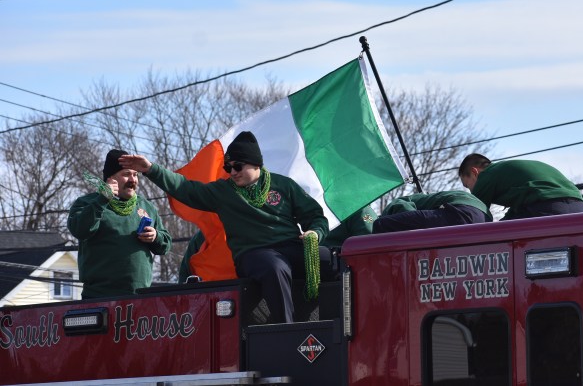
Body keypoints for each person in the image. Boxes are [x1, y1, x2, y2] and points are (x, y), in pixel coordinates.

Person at [119, 131, 336, 324]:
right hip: (254, 253)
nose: (232, 172)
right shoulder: (223, 191)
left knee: (335, 261)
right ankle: (286, 332)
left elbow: (315, 216)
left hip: (290, 245)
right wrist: (150, 169)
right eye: (228, 167)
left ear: (256, 164)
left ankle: (339, 324)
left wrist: (315, 233)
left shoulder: (283, 185)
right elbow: (186, 188)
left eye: (237, 166)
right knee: (275, 268)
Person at [68, 149, 172, 299]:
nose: (133, 180)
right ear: (110, 179)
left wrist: (155, 237)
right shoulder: (87, 203)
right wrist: (103, 200)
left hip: (140, 297)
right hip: (100, 297)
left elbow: (166, 245)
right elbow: (79, 229)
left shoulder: (146, 207)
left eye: (135, 174)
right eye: (126, 174)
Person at [458, 153, 583, 220]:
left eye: (467, 186)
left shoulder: (486, 175)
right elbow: (517, 211)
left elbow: (475, 216)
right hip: (580, 207)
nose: (470, 191)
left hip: (546, 205)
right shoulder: (505, 172)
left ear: (475, 172)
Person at [373, 190, 491, 233]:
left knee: (380, 224)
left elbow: (406, 214)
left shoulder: (399, 202)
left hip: (461, 212)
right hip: (485, 219)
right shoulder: (432, 199)